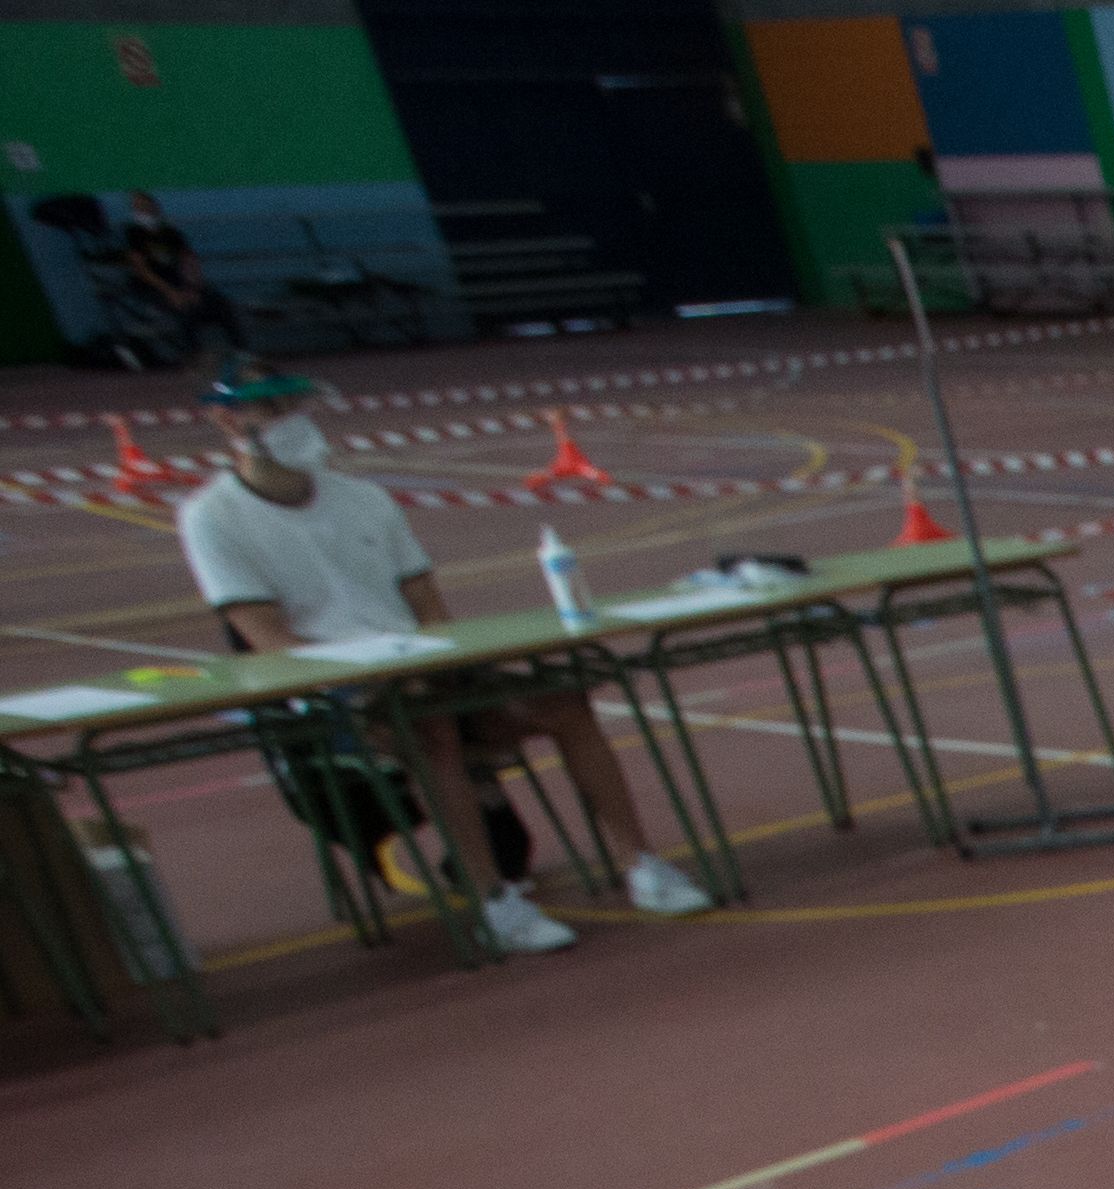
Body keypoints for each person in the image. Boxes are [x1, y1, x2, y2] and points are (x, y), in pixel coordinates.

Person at [172, 361, 712, 957]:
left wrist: (437, 657)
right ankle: (494, 902)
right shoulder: (211, 518)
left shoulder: (365, 500)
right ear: (227, 420)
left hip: (422, 662)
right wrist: (367, 675)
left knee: (563, 700)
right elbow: (265, 635)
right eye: (271, 411)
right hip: (332, 692)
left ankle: (643, 865)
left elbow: (426, 600)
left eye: (296, 407)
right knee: (430, 730)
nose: (291, 422)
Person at [112, 191, 240, 361]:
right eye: (138, 207)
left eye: (146, 205)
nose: (144, 210)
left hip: (181, 284)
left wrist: (193, 288)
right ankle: (194, 356)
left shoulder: (171, 233)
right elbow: (142, 271)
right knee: (181, 308)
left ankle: (241, 352)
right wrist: (170, 292)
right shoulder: (131, 234)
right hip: (152, 287)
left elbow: (190, 262)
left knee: (220, 303)